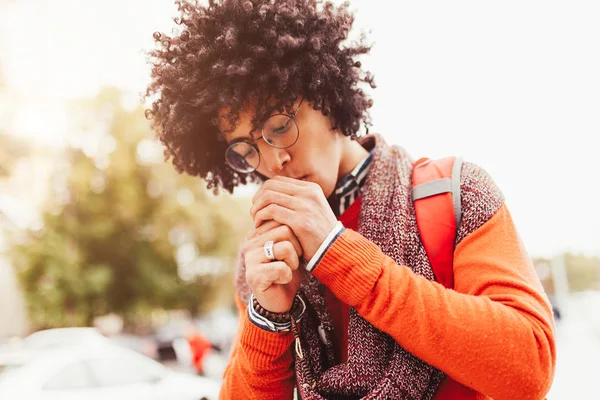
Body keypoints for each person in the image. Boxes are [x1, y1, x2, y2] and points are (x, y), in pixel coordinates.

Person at [145, 1, 556, 399]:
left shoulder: (455, 191)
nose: (273, 160)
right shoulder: (264, 257)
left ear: (324, 95)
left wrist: (336, 252)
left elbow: (530, 369)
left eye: (279, 125)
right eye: (245, 149)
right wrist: (268, 318)